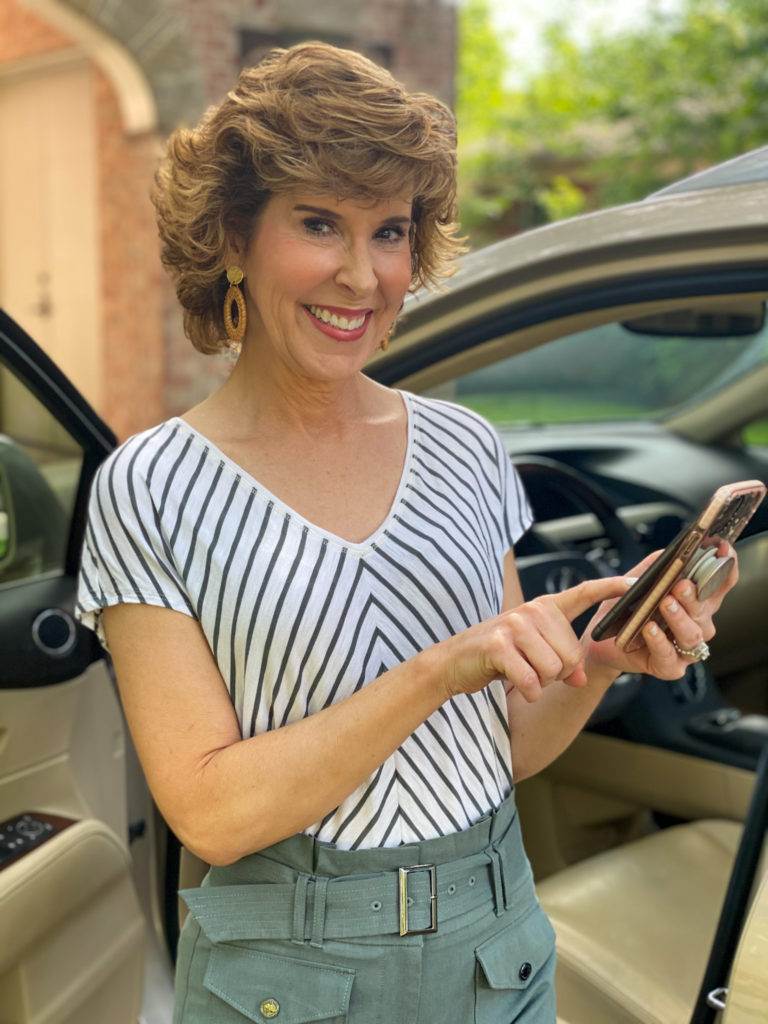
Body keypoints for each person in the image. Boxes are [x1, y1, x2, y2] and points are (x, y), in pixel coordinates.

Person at [74, 41, 738, 1024]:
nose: (361, 274)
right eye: (318, 224)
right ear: (230, 237)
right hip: (285, 977)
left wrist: (596, 661)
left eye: (389, 231)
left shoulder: (466, 447)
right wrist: (440, 669)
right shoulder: (153, 485)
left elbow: (502, 747)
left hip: (497, 947)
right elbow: (213, 815)